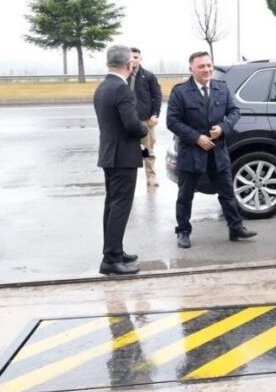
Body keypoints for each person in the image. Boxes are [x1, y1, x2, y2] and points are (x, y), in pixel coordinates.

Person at [166, 51, 257, 248]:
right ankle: (183, 231)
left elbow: (234, 111)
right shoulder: (180, 92)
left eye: (209, 65)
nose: (207, 70)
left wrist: (223, 128)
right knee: (185, 196)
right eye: (201, 67)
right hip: (192, 153)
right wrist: (197, 138)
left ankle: (236, 227)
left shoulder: (221, 88)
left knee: (227, 192)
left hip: (217, 152)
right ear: (191, 70)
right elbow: (172, 122)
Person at [93, 44, 149, 276]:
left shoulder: (103, 87)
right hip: (123, 156)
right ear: (129, 64)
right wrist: (144, 128)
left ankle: (114, 251)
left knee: (111, 206)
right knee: (120, 208)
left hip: (109, 155)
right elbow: (132, 125)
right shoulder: (122, 89)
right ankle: (112, 259)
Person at [129, 47, 163, 187]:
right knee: (128, 151)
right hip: (128, 120)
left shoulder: (148, 76)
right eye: (130, 57)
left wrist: (155, 114)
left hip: (145, 119)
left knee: (148, 150)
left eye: (136, 57)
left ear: (140, 59)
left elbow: (157, 96)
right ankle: (129, 179)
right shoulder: (122, 76)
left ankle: (151, 176)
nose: (133, 59)